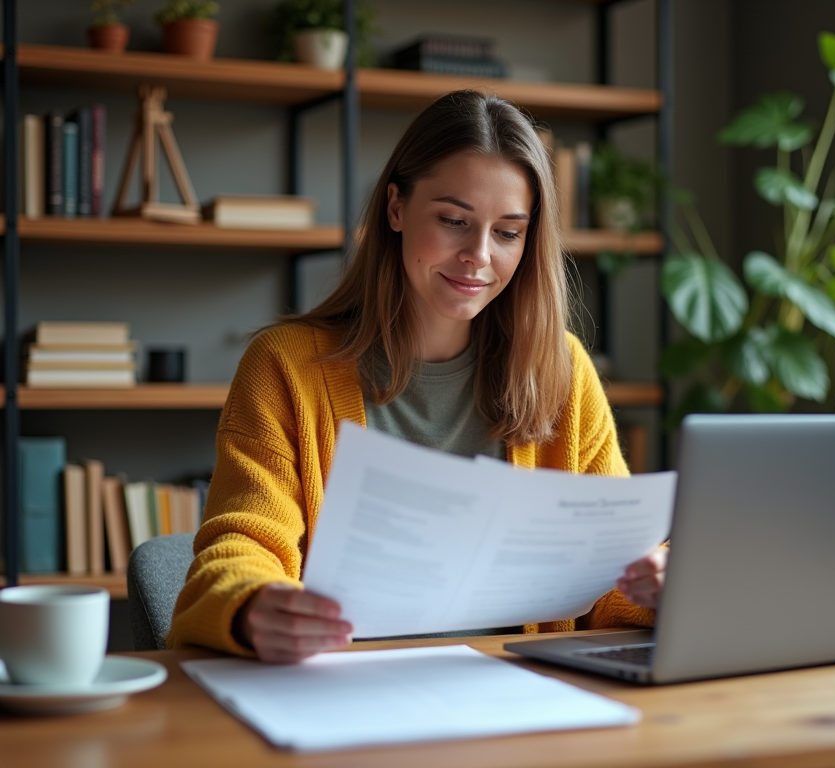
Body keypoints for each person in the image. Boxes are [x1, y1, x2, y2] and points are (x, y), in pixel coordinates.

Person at [166, 89, 667, 664]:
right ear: (396, 207)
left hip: (518, 696)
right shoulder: (286, 367)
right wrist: (253, 605)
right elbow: (241, 543)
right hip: (341, 696)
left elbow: (606, 582)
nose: (479, 254)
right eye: (454, 220)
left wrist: (660, 584)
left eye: (508, 232)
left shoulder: (562, 370)